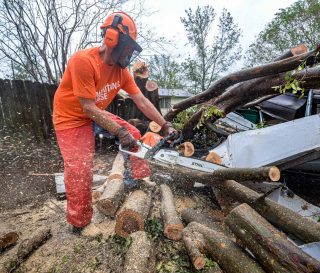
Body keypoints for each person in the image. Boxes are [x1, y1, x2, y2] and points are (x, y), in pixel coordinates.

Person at [53, 11, 176, 232]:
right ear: (112, 38)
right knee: (80, 168)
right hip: (71, 118)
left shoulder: (122, 72)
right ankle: (79, 222)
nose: (129, 53)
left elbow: (141, 100)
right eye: (128, 47)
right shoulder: (83, 61)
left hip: (95, 112)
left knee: (135, 134)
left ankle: (133, 182)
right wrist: (119, 131)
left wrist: (165, 125)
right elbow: (87, 107)